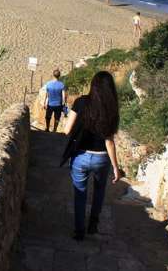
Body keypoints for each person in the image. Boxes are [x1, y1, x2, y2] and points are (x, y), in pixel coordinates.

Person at [62, 71, 122, 240]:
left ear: (93, 85)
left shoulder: (81, 102)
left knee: (80, 193)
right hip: (102, 158)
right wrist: (116, 168)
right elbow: (109, 141)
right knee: (100, 190)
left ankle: (79, 231)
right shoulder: (112, 109)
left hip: (81, 156)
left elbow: (67, 130)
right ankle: (93, 222)